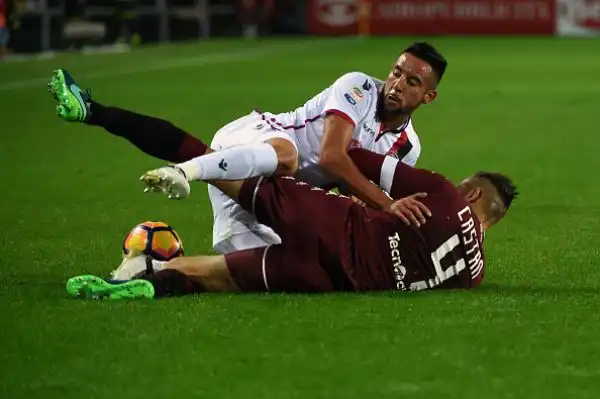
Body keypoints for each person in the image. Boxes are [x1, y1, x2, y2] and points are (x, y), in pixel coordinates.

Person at [48, 42, 447, 255]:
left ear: (427, 97)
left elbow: (349, 195)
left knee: (289, 261)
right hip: (258, 139)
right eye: (397, 72)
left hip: (264, 190)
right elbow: (331, 158)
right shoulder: (358, 86)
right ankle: (183, 171)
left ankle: (146, 271)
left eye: (412, 82)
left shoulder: (407, 147)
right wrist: (385, 203)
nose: (396, 85)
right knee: (288, 157)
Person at [65, 146, 518, 300]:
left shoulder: (442, 193)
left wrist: (384, 202)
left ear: (473, 194)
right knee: (212, 276)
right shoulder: (473, 276)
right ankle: (147, 279)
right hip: (326, 279)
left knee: (235, 174)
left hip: (332, 223)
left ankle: (182, 169)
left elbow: (355, 158)